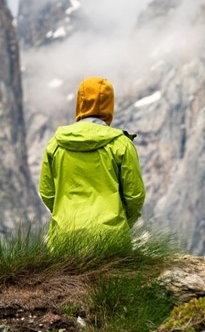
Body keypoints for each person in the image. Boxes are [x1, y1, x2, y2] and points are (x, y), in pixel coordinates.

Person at [39, 76, 146, 244]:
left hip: (64, 238)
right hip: (111, 239)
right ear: (109, 106)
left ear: (80, 103)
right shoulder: (122, 144)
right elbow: (135, 195)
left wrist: (63, 214)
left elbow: (47, 192)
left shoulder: (56, 144)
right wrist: (121, 223)